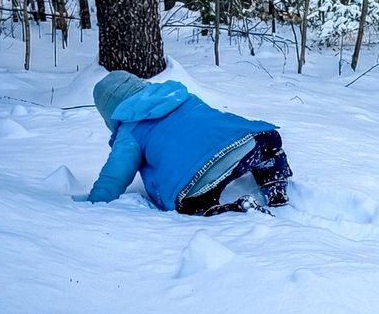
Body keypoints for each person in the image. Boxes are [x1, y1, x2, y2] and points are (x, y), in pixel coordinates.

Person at [82, 71, 292, 215]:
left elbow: (114, 178)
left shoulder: (129, 132)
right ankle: (275, 187)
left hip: (194, 184)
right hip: (245, 146)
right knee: (270, 143)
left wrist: (94, 204)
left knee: (194, 203)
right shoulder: (178, 96)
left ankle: (231, 211)